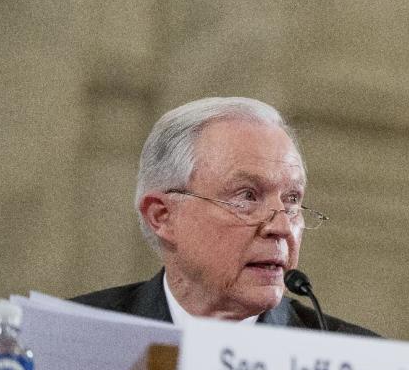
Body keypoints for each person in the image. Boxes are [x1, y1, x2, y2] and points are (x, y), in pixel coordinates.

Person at [73, 96, 377, 336]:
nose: (282, 226)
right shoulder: (74, 338)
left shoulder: (355, 364)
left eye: (292, 200)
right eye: (247, 196)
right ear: (162, 216)